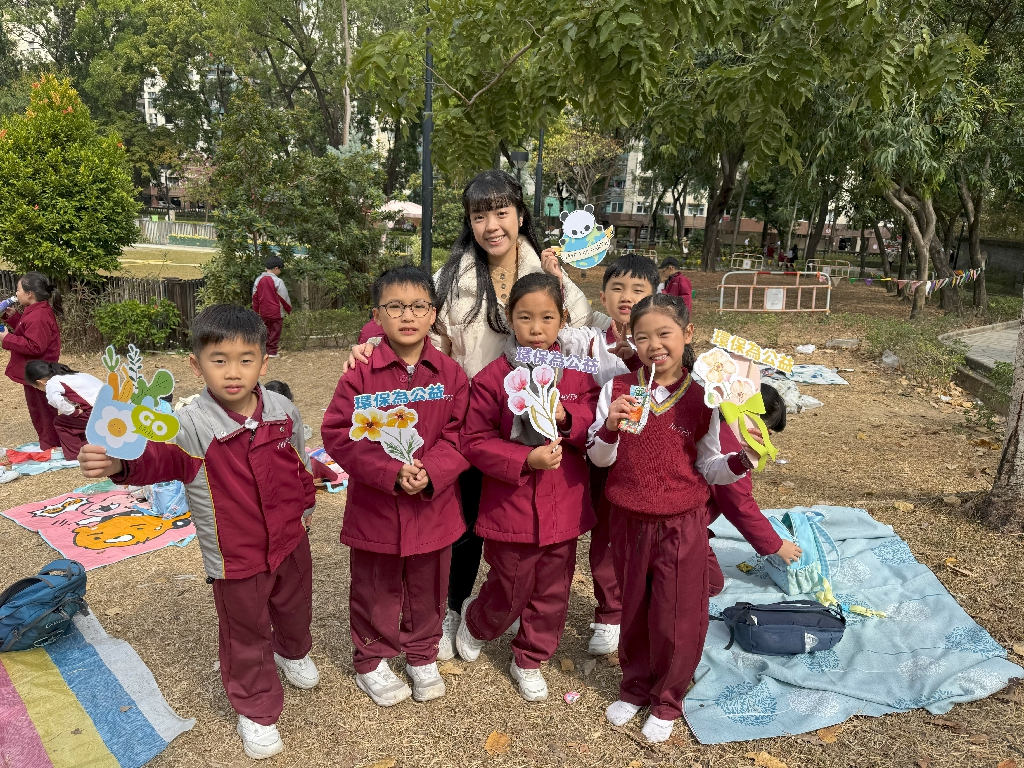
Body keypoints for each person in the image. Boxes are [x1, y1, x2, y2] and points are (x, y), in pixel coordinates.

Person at [343, 170, 606, 661]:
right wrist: (372, 341)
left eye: (502, 212)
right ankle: (452, 605)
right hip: (470, 413)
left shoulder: (551, 278)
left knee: (521, 524)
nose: (491, 225)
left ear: (520, 215)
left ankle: (512, 607)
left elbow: (586, 332)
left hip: (533, 421)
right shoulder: (452, 279)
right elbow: (419, 327)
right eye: (479, 215)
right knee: (461, 522)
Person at [78, 305, 318, 761]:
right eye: (219, 360)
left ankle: (293, 651)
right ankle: (256, 707)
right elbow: (157, 459)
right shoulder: (190, 424)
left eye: (246, 359)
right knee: (245, 632)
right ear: (196, 364)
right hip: (235, 555)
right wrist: (118, 464)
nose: (233, 372)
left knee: (295, 605)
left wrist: (307, 505)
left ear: (264, 362)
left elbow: (300, 461)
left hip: (292, 539)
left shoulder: (282, 410)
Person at [588, 294, 758, 743]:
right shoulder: (618, 389)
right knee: (634, 609)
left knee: (678, 614)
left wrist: (740, 462)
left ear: (687, 334)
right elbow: (599, 458)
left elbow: (709, 466)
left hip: (681, 523)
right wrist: (610, 427)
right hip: (627, 519)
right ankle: (635, 686)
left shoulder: (704, 397)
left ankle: (668, 699)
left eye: (664, 334)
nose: (654, 345)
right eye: (642, 337)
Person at [321, 265, 470, 708]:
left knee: (430, 586)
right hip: (377, 509)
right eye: (395, 306)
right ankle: (372, 658)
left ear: (434, 314)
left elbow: (462, 434)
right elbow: (338, 434)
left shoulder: (450, 374)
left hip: (432, 506)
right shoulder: (360, 373)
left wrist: (432, 470)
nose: (408, 315)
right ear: (377, 316)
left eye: (419, 306)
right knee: (375, 588)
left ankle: (422, 653)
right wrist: (389, 472)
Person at [456, 273, 600, 701]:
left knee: (553, 591)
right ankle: (478, 621)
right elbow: (474, 440)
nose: (536, 328)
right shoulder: (492, 376)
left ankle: (530, 657)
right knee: (510, 585)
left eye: (547, 318)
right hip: (511, 508)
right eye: (525, 317)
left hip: (563, 503)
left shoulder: (577, 372)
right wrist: (524, 459)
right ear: (509, 317)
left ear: (563, 319)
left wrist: (568, 418)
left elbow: (596, 413)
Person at [555, 255, 657, 656]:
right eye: (617, 288)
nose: (627, 297)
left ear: (655, 296)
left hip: (649, 455)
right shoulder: (590, 340)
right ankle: (609, 614)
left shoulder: (662, 340)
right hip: (602, 449)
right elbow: (552, 332)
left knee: (649, 535)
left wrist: (637, 352)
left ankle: (651, 602)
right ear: (603, 297)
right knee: (607, 538)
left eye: (638, 290)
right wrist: (556, 277)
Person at [705, 384, 801, 597]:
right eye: (766, 431)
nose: (766, 439)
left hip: (663, 515)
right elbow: (739, 504)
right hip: (676, 526)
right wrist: (776, 545)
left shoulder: (712, 422)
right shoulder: (732, 446)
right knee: (709, 583)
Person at [0, 272, 62, 450]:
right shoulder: (36, 311)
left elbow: (35, 346)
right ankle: (48, 444)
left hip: (39, 372)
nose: (16, 293)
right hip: (34, 371)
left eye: (18, 289)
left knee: (43, 413)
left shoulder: (39, 315)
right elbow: (29, 329)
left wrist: (7, 339)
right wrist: (13, 318)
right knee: (38, 411)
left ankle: (51, 447)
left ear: (29, 294)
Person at [24, 361, 103, 461]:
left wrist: (73, 412)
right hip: (113, 407)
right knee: (74, 421)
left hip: (97, 412)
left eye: (37, 387)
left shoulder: (51, 383)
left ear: (40, 382)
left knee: (60, 422)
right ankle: (90, 443)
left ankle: (75, 454)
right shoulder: (73, 374)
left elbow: (55, 400)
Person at [252, 256, 292, 357]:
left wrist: (255, 311)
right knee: (275, 332)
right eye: (280, 269)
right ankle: (272, 352)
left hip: (262, 312)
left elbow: (254, 297)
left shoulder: (258, 280)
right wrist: (289, 309)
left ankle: (263, 351)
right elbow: (284, 297)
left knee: (264, 331)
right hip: (276, 313)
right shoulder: (278, 281)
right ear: (276, 268)